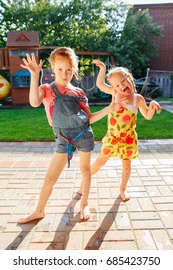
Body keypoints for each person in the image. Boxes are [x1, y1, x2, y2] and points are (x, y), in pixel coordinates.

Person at [18, 47, 127, 224]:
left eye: (69, 69)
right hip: (63, 139)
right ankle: (39, 211)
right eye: (60, 69)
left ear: (74, 69)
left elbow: (89, 118)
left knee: (85, 170)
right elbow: (34, 101)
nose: (65, 73)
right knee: (50, 177)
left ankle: (84, 203)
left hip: (83, 135)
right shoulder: (47, 89)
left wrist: (109, 109)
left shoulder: (79, 93)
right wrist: (34, 75)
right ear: (52, 68)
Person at [78, 59, 162, 202]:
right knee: (99, 162)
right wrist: (103, 69)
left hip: (128, 139)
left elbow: (147, 116)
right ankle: (82, 186)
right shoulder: (115, 94)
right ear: (114, 88)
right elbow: (99, 84)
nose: (121, 85)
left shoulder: (138, 99)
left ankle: (123, 189)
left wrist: (152, 105)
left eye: (123, 81)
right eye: (117, 85)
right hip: (113, 138)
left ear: (129, 79)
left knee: (126, 167)